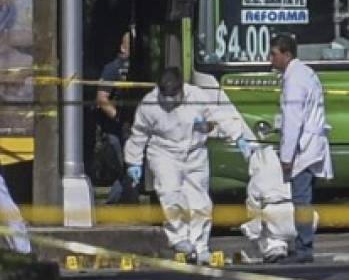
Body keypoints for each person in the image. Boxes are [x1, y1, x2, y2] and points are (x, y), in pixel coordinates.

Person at [124, 66, 253, 264]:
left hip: (194, 153)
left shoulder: (197, 96)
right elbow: (139, 135)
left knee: (200, 202)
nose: (169, 100)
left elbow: (220, 116)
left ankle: (199, 246)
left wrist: (238, 137)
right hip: (164, 153)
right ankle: (179, 238)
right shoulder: (149, 104)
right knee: (170, 193)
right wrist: (133, 161)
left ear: (181, 89)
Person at [268, 33, 333, 263]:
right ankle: (303, 246)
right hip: (309, 144)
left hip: (303, 149)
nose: (270, 59)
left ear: (287, 54)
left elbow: (293, 121)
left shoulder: (294, 79)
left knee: (301, 200)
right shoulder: (303, 73)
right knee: (303, 198)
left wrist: (286, 157)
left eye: (274, 54)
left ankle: (304, 250)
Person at [96, 31, 136, 204]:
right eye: (130, 45)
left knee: (129, 169)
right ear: (122, 47)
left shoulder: (137, 68)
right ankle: (117, 204)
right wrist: (118, 118)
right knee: (125, 169)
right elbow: (101, 98)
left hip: (133, 127)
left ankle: (120, 203)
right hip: (115, 129)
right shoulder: (112, 68)